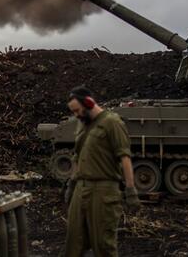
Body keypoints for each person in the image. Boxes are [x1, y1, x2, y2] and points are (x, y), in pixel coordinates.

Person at [63, 85, 140, 257]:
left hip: (103, 190)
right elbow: (77, 156)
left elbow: (124, 156)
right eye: (73, 112)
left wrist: (130, 189)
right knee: (73, 242)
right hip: (81, 188)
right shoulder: (82, 125)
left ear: (89, 103)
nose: (76, 115)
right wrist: (71, 184)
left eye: (77, 110)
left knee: (103, 245)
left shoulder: (112, 122)